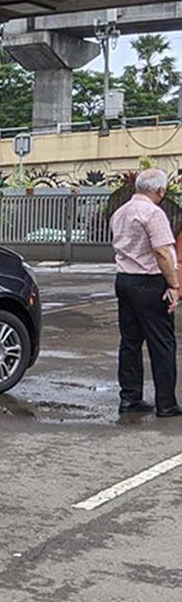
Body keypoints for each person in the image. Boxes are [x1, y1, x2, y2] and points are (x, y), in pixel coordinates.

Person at [111, 168, 181, 417]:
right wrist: (173, 285)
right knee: (162, 342)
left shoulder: (121, 212)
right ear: (160, 191)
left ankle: (130, 398)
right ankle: (166, 403)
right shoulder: (153, 213)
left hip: (125, 280)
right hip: (149, 282)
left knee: (130, 341)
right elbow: (162, 252)